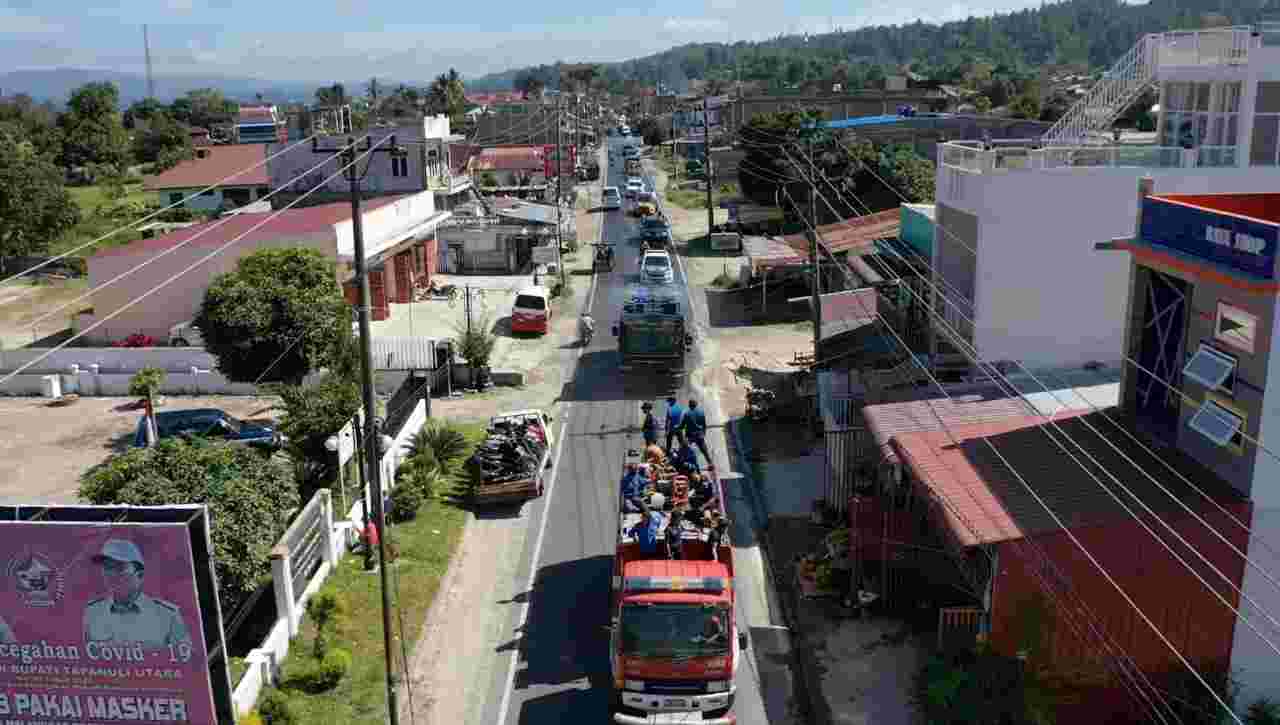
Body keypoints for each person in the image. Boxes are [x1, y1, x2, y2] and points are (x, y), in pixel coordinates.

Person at [83, 539, 191, 651]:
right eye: (107, 567)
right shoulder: (93, 613)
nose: (111, 574)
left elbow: (185, 663)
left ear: (140, 575)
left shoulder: (168, 616)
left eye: (120, 568)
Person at [684, 400, 712, 466]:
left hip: (690, 436)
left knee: (686, 450)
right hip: (699, 435)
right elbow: (704, 425)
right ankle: (710, 464)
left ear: (689, 405)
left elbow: (685, 425)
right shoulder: (701, 413)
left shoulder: (687, 414)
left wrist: (686, 435)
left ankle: (687, 464)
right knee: (705, 451)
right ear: (696, 405)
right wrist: (703, 433)